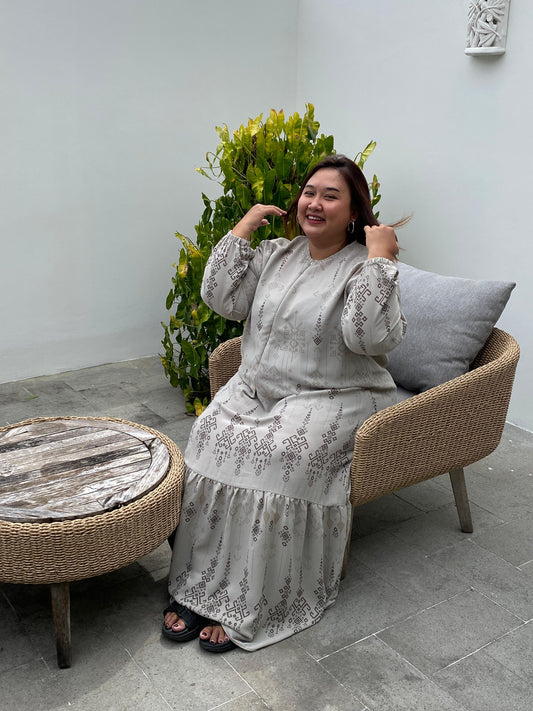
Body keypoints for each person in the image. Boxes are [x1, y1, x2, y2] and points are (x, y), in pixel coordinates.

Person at [163, 154, 406, 653]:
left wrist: (380, 261)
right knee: (209, 435)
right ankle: (200, 584)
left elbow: (366, 337)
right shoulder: (276, 253)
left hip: (334, 394)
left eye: (330, 196)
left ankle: (253, 598)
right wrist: (241, 231)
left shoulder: (363, 267)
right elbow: (222, 301)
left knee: (275, 456)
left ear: (354, 211)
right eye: (309, 192)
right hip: (256, 387)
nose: (314, 203)